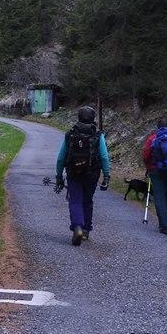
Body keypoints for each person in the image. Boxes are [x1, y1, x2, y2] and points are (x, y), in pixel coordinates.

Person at [55, 105, 111, 246]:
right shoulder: (98, 135)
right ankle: (85, 230)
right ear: (93, 119)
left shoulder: (71, 134)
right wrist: (106, 175)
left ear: (79, 117)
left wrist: (59, 176)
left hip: (73, 172)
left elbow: (61, 158)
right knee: (87, 200)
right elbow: (104, 157)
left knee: (75, 200)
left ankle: (77, 227)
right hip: (92, 173)